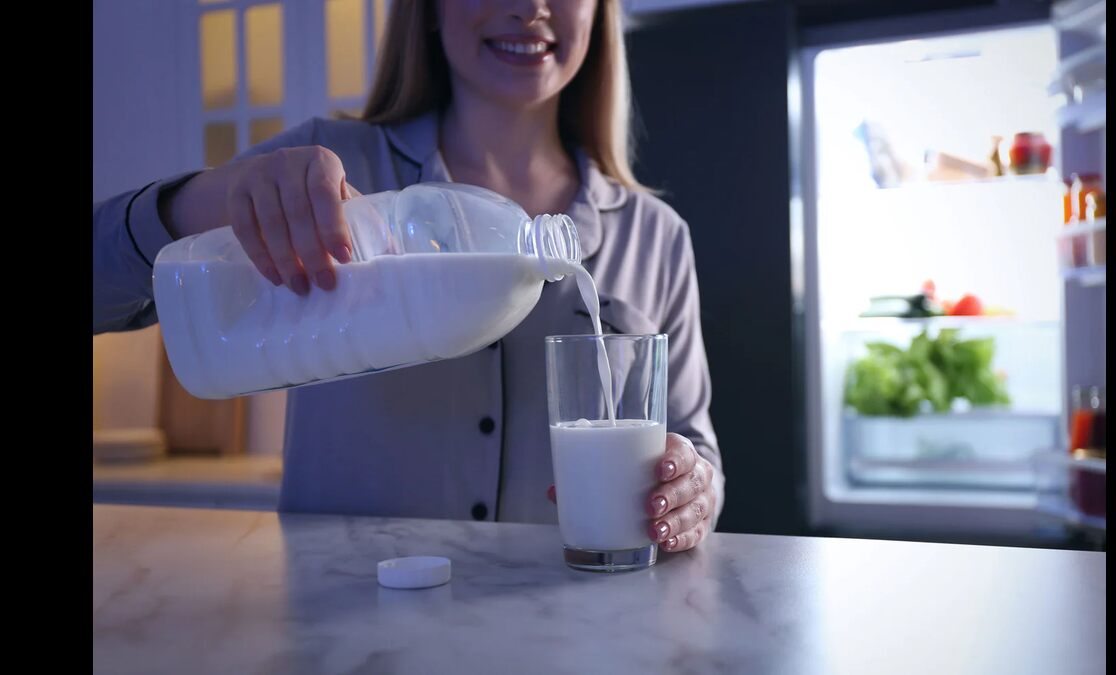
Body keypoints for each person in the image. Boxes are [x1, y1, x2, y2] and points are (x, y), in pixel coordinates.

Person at [93, 0, 722, 553]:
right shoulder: (328, 169)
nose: (530, 7)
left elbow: (698, 451)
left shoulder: (657, 235)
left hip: (575, 625)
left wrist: (690, 492)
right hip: (344, 627)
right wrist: (203, 200)